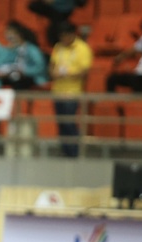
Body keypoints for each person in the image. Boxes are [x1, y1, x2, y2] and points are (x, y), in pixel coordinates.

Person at [49, 21, 92, 158]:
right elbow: (52, 65)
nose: (63, 40)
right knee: (61, 124)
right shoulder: (58, 47)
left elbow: (84, 72)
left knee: (69, 123)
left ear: (72, 34)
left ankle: (75, 153)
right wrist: (53, 73)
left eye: (65, 36)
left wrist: (67, 74)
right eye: (61, 37)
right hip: (57, 91)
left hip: (72, 92)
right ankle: (65, 151)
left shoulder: (82, 48)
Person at [0, 20, 48, 90]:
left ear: (19, 34)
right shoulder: (10, 50)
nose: (8, 36)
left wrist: (24, 71)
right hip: (13, 77)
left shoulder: (32, 49)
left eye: (11, 33)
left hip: (31, 79)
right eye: (7, 33)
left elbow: (40, 67)